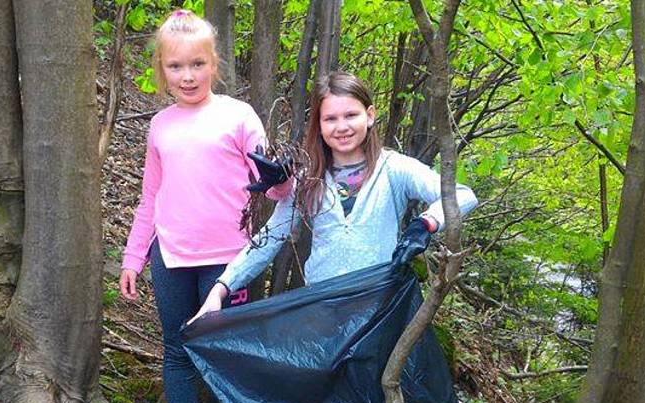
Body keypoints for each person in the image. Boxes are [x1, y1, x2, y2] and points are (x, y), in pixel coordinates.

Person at [118, 9, 288, 403]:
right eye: (175, 66)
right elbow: (151, 196)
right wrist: (133, 255)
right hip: (170, 256)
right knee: (177, 350)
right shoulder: (160, 126)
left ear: (214, 64)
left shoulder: (238, 117)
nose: (187, 76)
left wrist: (279, 177)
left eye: (197, 64)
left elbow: (278, 188)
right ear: (161, 70)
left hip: (230, 262)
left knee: (233, 356)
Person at [194, 71, 479, 317]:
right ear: (319, 125)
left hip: (377, 309)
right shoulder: (309, 181)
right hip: (321, 310)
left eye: (351, 115)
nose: (341, 127)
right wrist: (222, 288)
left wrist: (427, 223)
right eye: (330, 119)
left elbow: (464, 195)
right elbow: (269, 238)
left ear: (369, 116)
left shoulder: (395, 169)